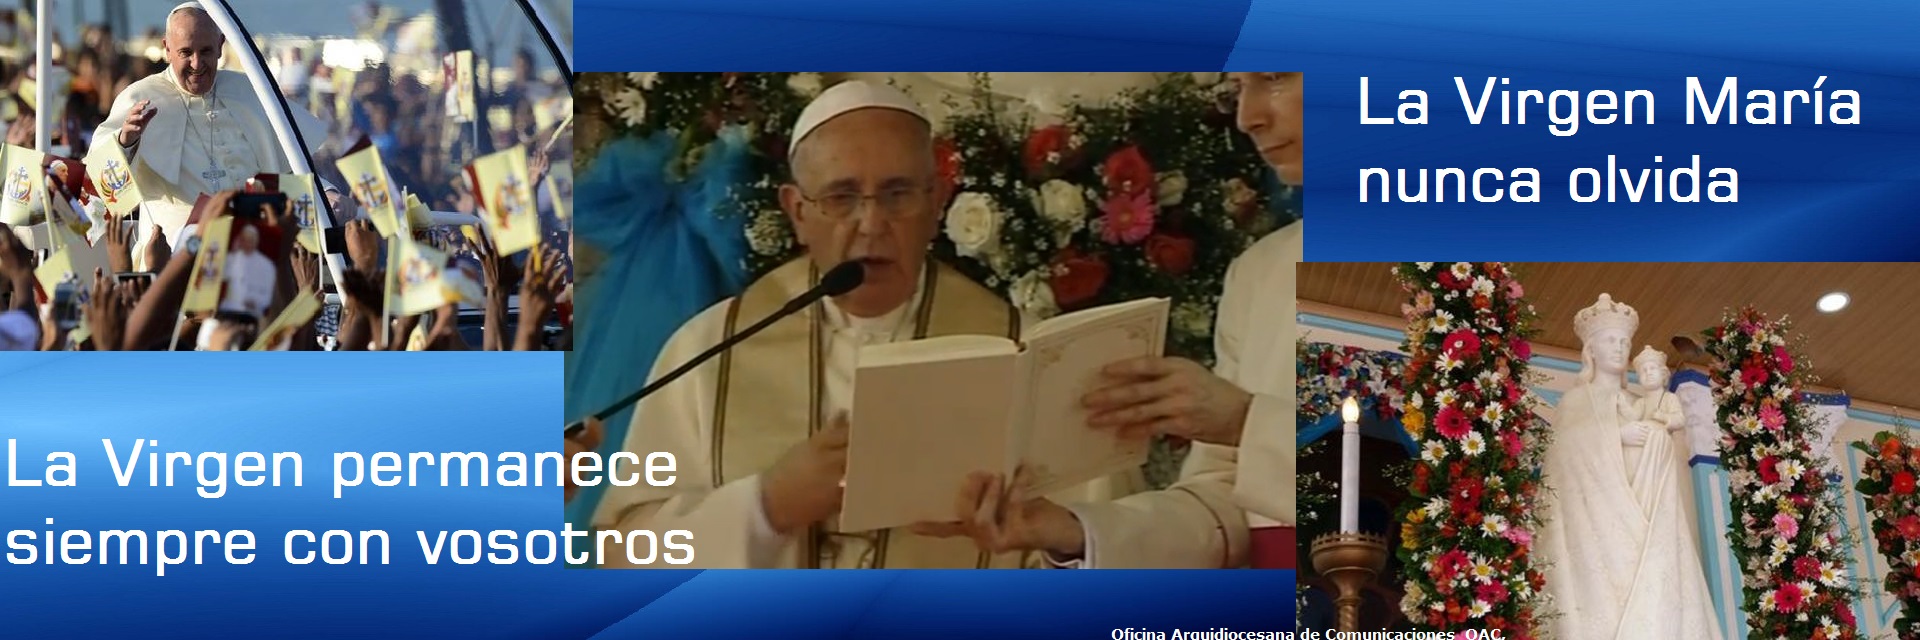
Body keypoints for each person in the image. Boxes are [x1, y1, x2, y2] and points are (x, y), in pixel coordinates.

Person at [581, 81, 1152, 569]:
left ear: (937, 202)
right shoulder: (709, 349)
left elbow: (1098, 554)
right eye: (842, 196)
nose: (871, 224)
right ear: (798, 212)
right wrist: (767, 506)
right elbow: (623, 555)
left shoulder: (1030, 354)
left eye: (898, 194)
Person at [924, 72, 1301, 568]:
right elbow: (1228, 513)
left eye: (1273, 78)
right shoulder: (1263, 270)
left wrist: (1243, 421)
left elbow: (1430, 484)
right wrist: (1072, 530)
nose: (1247, 116)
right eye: (1239, 86)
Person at [87, 4, 332, 269]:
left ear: (220, 44)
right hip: (176, 261)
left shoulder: (248, 90)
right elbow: (100, 180)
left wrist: (326, 193)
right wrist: (126, 141)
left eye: (205, 51)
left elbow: (289, 162)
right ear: (167, 49)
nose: (196, 64)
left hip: (252, 256)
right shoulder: (139, 98)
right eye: (185, 52)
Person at [1537, 295, 1721, 640]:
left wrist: (1655, 438)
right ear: (1591, 350)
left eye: (1624, 341)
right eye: (1610, 340)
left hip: (1649, 519)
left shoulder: (1644, 402)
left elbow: (1670, 451)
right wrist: (1616, 434)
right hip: (1596, 531)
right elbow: (1560, 456)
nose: (1620, 347)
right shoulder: (1577, 400)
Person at [219, 224, 275, 319]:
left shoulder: (266, 265)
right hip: (229, 310)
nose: (247, 243)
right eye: (244, 240)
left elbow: (267, 297)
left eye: (250, 240)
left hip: (252, 313)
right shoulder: (231, 258)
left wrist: (255, 302)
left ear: (256, 241)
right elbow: (220, 278)